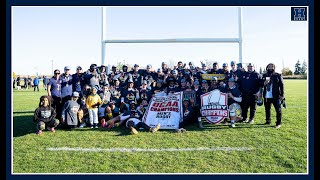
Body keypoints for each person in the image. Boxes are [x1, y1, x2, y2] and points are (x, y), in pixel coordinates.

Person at [262, 63, 284, 129]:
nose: (270, 67)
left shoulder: (277, 75)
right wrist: (264, 83)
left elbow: (282, 85)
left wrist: (282, 95)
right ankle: (268, 121)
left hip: (275, 95)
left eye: (272, 66)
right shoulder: (265, 75)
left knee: (278, 109)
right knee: (267, 109)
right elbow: (261, 84)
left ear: (274, 67)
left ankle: (278, 123)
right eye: (269, 66)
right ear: (267, 67)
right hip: (267, 95)